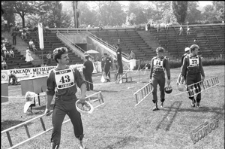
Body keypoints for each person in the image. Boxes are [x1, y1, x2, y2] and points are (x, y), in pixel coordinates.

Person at [44, 47, 86, 149]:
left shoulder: (73, 70)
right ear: (58, 59)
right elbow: (50, 92)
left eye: (67, 56)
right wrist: (47, 107)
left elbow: (82, 84)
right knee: (56, 126)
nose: (68, 58)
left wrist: (83, 96)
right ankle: (54, 145)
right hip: (59, 104)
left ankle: (81, 141)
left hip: (73, 102)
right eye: (65, 57)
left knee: (78, 124)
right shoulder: (52, 73)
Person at [149, 47, 171, 111]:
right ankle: (155, 105)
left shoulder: (165, 60)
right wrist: (150, 77)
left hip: (161, 76)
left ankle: (162, 101)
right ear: (157, 53)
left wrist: (168, 78)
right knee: (154, 90)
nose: (159, 54)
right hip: (154, 76)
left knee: (162, 90)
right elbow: (151, 69)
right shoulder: (153, 59)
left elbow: (167, 70)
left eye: (161, 53)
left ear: (162, 53)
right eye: (158, 53)